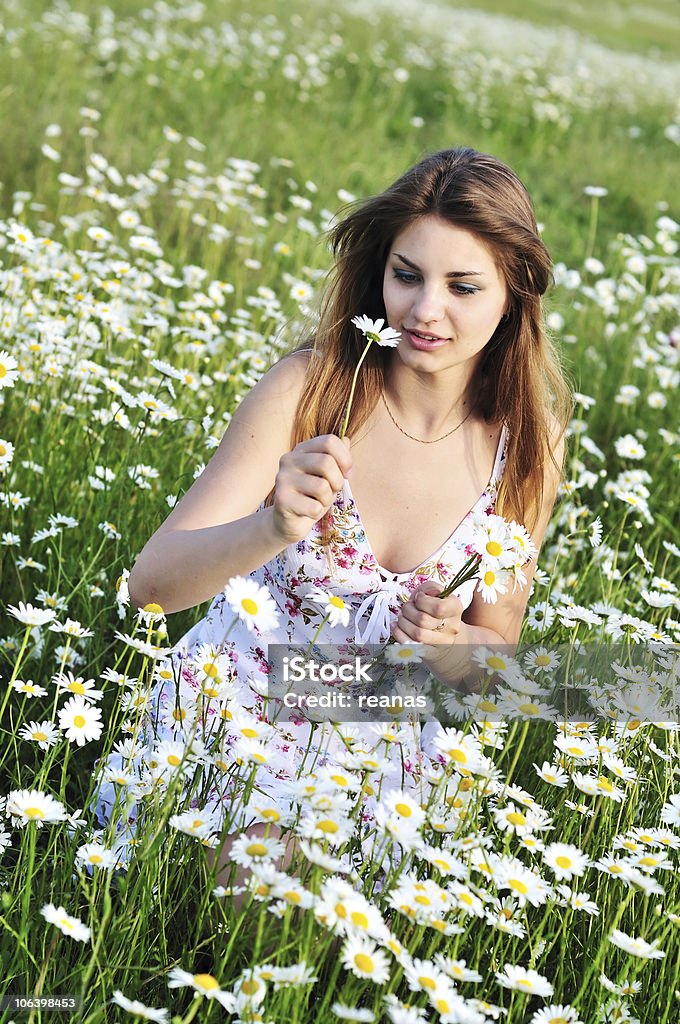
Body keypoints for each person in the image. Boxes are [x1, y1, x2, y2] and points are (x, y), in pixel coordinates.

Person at [102, 146, 570, 873]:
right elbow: (150, 587)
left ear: (514, 296)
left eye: (464, 287)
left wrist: (448, 646)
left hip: (386, 746)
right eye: (406, 276)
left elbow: (497, 651)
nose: (424, 311)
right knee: (262, 879)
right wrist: (271, 526)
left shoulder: (527, 455)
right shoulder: (312, 391)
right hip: (241, 714)